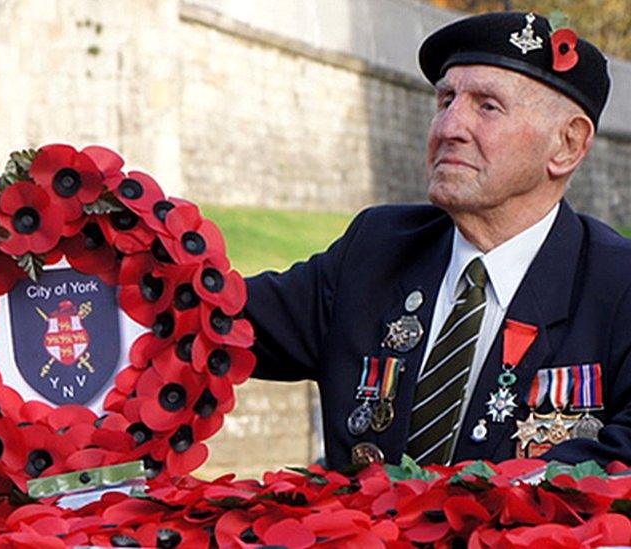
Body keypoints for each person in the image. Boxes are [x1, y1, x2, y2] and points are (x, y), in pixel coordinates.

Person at [243, 11, 631, 469]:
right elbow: (219, 316)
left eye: (487, 106)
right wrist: (147, 228)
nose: (449, 128)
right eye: (446, 100)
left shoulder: (617, 285)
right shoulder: (377, 249)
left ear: (567, 144)